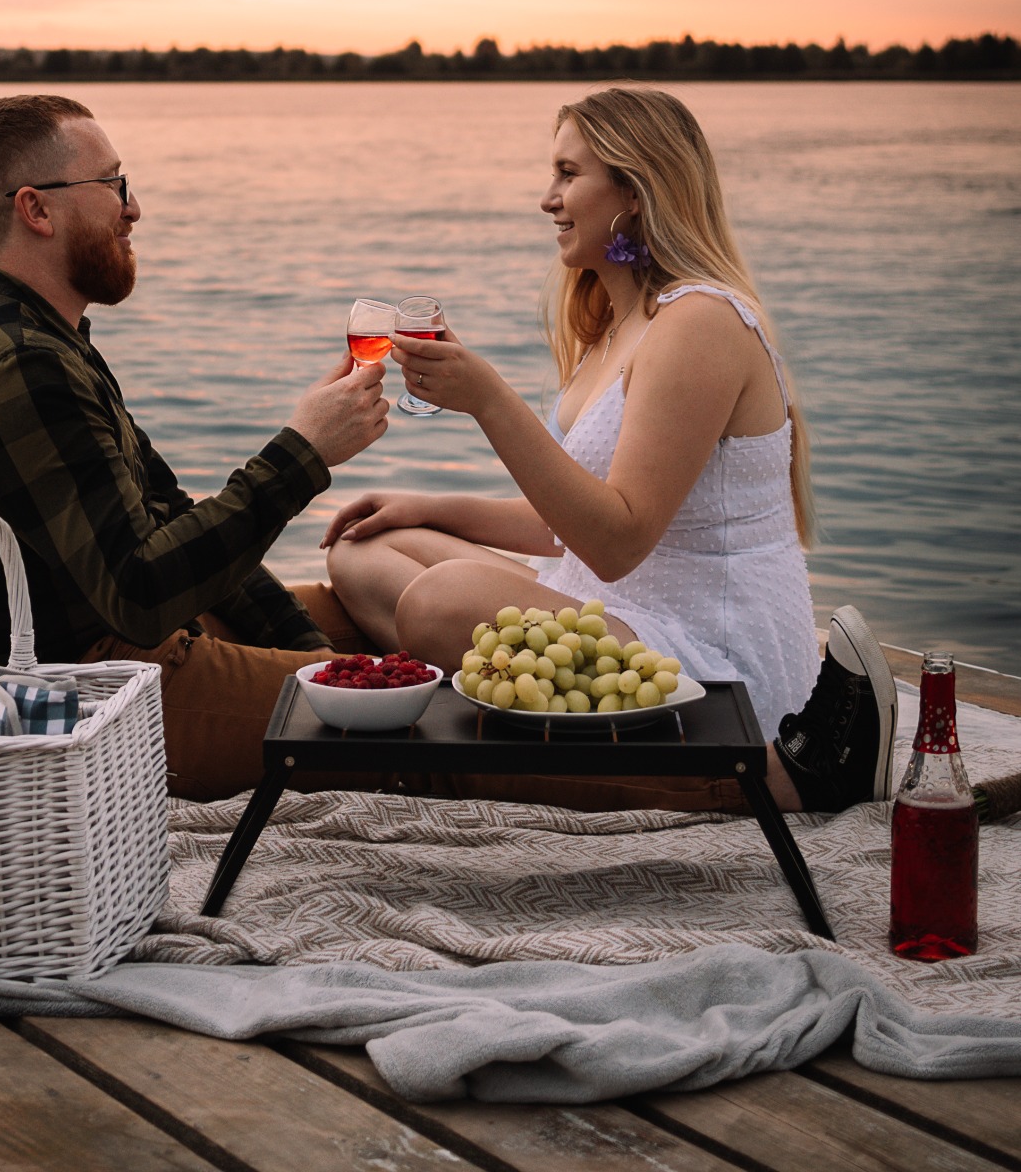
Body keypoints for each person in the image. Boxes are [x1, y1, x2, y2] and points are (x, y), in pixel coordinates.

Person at [323, 86, 898, 815]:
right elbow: (572, 521)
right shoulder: (613, 325)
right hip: (605, 609)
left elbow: (617, 540)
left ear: (632, 189)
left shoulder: (699, 324)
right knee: (362, 550)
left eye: (568, 175)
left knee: (439, 600)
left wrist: (489, 403)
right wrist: (429, 506)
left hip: (708, 653)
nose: (547, 199)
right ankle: (514, 707)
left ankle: (773, 775)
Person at [0, 93, 386, 800]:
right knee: (409, 723)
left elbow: (170, 518)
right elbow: (141, 596)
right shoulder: (19, 365)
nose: (133, 206)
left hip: (108, 641)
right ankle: (589, 773)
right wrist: (304, 454)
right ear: (37, 209)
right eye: (113, 184)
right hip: (54, 703)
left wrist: (317, 657)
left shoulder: (43, 339)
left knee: (365, 634)